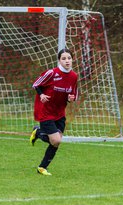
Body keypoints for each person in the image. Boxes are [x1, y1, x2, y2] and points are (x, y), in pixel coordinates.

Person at [29, 48, 78, 176]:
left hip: (60, 113)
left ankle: (42, 168)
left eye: (69, 58)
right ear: (59, 61)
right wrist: (41, 95)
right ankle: (38, 132)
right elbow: (36, 84)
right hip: (46, 112)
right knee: (56, 140)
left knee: (56, 142)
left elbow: (73, 94)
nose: (67, 61)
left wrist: (71, 98)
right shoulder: (51, 73)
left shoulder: (74, 76)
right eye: (64, 58)